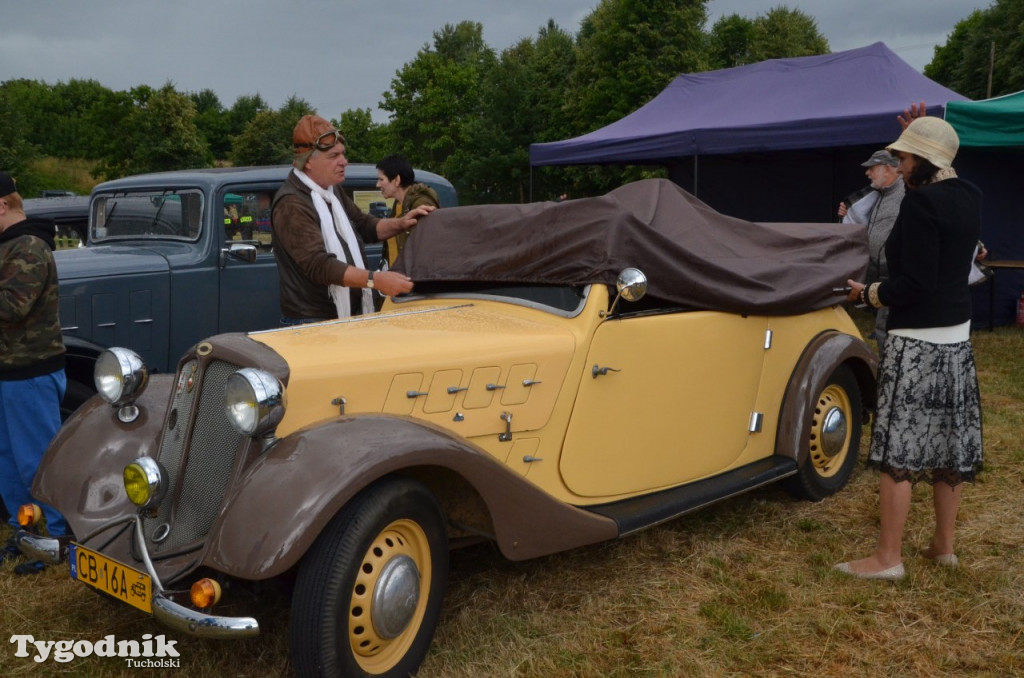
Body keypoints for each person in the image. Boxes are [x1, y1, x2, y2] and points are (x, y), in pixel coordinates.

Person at [835, 116, 983, 580]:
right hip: (957, 338)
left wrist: (867, 294)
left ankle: (887, 558)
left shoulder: (919, 207)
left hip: (916, 341)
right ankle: (943, 546)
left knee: (899, 449)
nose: (896, 166)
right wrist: (924, 130)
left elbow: (913, 284)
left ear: (921, 159)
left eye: (902, 157)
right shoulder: (969, 195)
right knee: (948, 447)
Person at [271, 116, 430, 323]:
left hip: (340, 317)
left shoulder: (331, 190)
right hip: (313, 322)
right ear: (309, 161)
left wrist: (401, 223)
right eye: (334, 156)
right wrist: (375, 280)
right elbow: (319, 265)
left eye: (343, 154)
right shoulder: (291, 203)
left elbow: (364, 225)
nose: (344, 161)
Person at [0, 171, 69, 574]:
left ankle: (55, 538)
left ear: (3, 205)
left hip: (30, 372)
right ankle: (24, 530)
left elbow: (12, 307)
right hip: (9, 371)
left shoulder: (29, 246)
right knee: (9, 463)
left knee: (39, 462)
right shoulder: (8, 245)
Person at [838, 150, 906, 352]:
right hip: (880, 269)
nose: (868, 173)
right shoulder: (878, 193)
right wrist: (847, 210)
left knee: (886, 325)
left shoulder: (907, 192)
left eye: (872, 168)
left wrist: (978, 248)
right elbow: (859, 214)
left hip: (896, 270)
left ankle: (890, 367)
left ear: (888, 169)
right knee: (883, 323)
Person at [375, 154, 440, 267]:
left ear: (397, 180)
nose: (377, 184)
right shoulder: (398, 205)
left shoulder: (421, 204)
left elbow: (429, 251)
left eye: (381, 179)